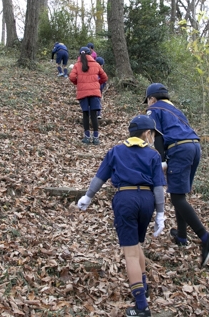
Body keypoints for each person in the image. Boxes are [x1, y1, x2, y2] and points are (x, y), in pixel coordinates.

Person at [77, 115, 167, 317]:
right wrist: (160, 213)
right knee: (135, 245)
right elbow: (159, 187)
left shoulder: (116, 151)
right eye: (152, 134)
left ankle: (141, 306)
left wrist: (88, 196)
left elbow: (100, 177)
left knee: (130, 253)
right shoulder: (152, 155)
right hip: (146, 200)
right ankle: (143, 286)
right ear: (147, 133)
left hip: (125, 198)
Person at [144, 83, 209, 267]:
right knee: (179, 194)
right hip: (194, 147)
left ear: (152, 99)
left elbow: (158, 136)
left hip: (179, 149)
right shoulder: (175, 110)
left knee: (177, 197)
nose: (147, 105)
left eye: (147, 101)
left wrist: (160, 161)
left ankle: (205, 237)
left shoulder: (154, 108)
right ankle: (182, 236)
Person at [69, 47, 108, 144]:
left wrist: (78, 83)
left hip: (83, 92)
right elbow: (105, 77)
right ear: (90, 54)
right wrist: (97, 83)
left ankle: (87, 137)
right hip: (95, 92)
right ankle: (96, 137)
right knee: (94, 115)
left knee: (85, 114)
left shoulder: (77, 65)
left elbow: (72, 77)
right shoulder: (96, 64)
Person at [94, 54, 105, 119]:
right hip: (98, 89)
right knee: (98, 100)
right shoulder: (101, 72)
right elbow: (104, 81)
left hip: (93, 88)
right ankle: (98, 113)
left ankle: (92, 114)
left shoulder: (92, 70)